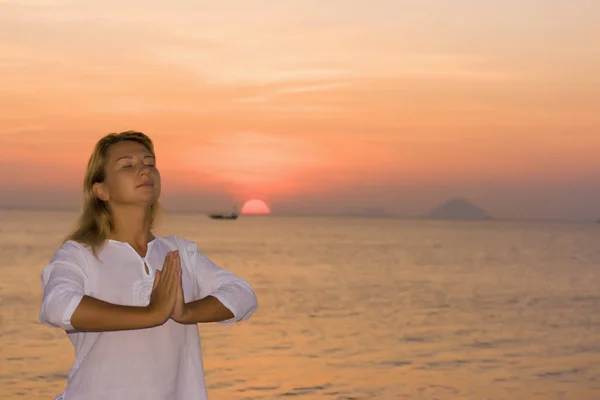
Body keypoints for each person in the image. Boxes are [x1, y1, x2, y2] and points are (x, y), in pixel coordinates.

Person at [39, 131, 258, 400]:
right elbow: (57, 306)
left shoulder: (179, 254)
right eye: (127, 165)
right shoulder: (79, 255)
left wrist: (185, 312)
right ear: (101, 190)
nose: (145, 170)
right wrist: (152, 314)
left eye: (150, 163)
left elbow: (242, 294)